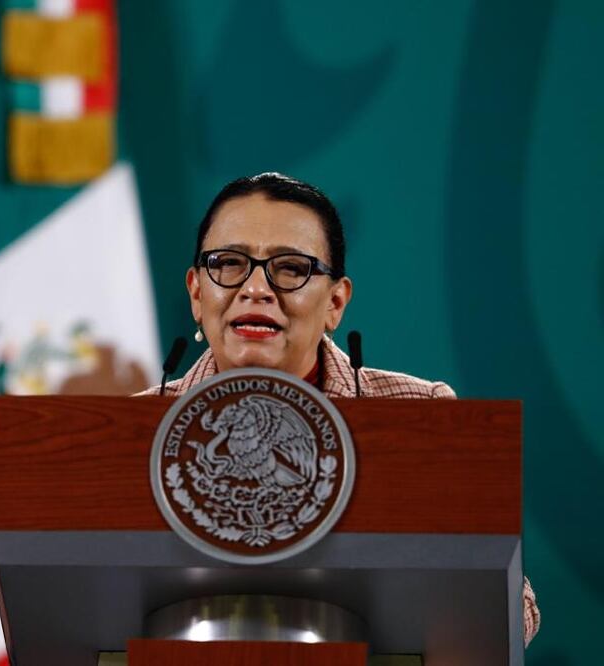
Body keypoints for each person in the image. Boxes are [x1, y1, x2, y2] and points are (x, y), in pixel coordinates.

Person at [140, 172, 540, 645]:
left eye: (290, 268)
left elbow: (516, 610)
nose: (255, 288)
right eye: (229, 263)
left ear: (335, 302)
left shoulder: (418, 417)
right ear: (195, 292)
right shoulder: (129, 431)